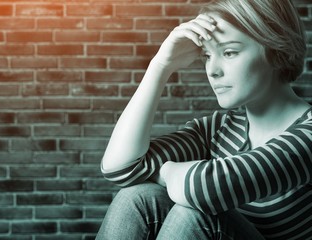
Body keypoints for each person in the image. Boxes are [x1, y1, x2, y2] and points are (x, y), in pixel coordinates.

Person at [96, 0, 312, 239]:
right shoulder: (218, 130)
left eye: (229, 52)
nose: (212, 70)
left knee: (195, 213)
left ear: (275, 50)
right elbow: (121, 168)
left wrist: (164, 171)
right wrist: (160, 66)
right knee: (136, 197)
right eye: (207, 56)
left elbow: (204, 188)